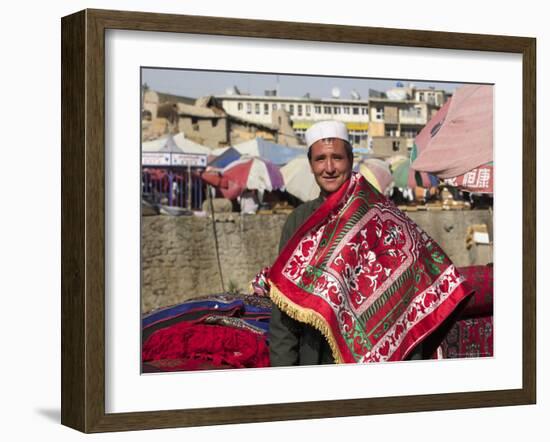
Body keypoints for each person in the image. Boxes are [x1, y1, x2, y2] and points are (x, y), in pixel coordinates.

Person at [266, 120, 472, 366]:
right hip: (315, 358)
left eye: (337, 158)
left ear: (351, 161)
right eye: (321, 159)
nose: (329, 167)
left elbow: (409, 289)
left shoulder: (381, 216)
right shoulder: (300, 221)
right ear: (311, 165)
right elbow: (285, 309)